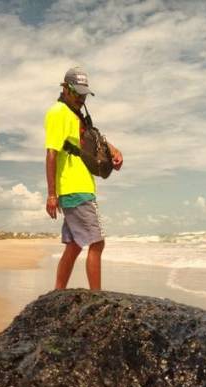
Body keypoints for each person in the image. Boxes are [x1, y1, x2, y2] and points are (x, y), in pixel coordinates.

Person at [44, 66, 123, 290]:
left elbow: (93, 138)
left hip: (80, 187)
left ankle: (58, 293)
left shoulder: (77, 114)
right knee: (97, 243)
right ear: (65, 89)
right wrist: (51, 194)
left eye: (83, 94)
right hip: (75, 189)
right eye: (76, 93)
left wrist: (115, 151)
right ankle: (97, 297)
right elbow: (51, 153)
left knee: (75, 244)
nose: (80, 98)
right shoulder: (58, 112)